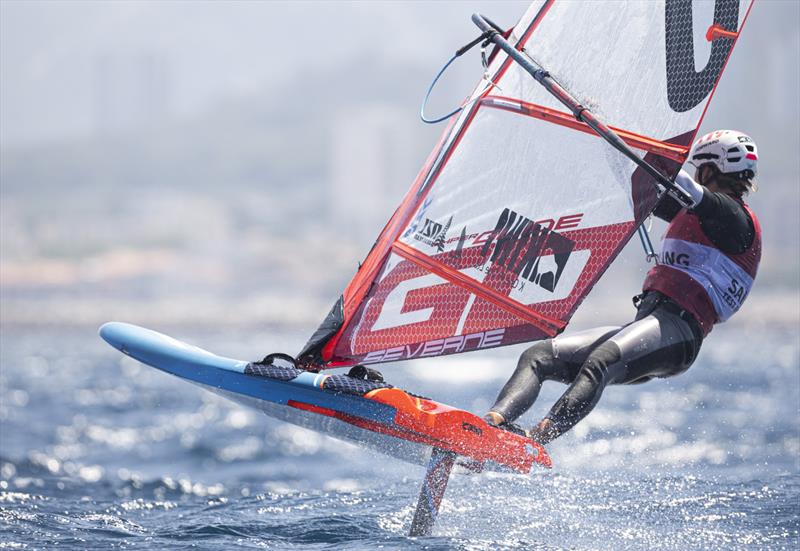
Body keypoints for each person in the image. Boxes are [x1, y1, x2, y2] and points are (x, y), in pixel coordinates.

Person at [484, 129, 762, 445]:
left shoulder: (734, 217)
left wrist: (633, 139)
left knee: (602, 361)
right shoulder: (693, 211)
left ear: (709, 170)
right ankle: (492, 426)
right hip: (647, 325)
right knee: (538, 356)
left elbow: (682, 184)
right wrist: (606, 135)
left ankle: (534, 442)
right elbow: (637, 179)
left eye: (699, 168)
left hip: (678, 334)